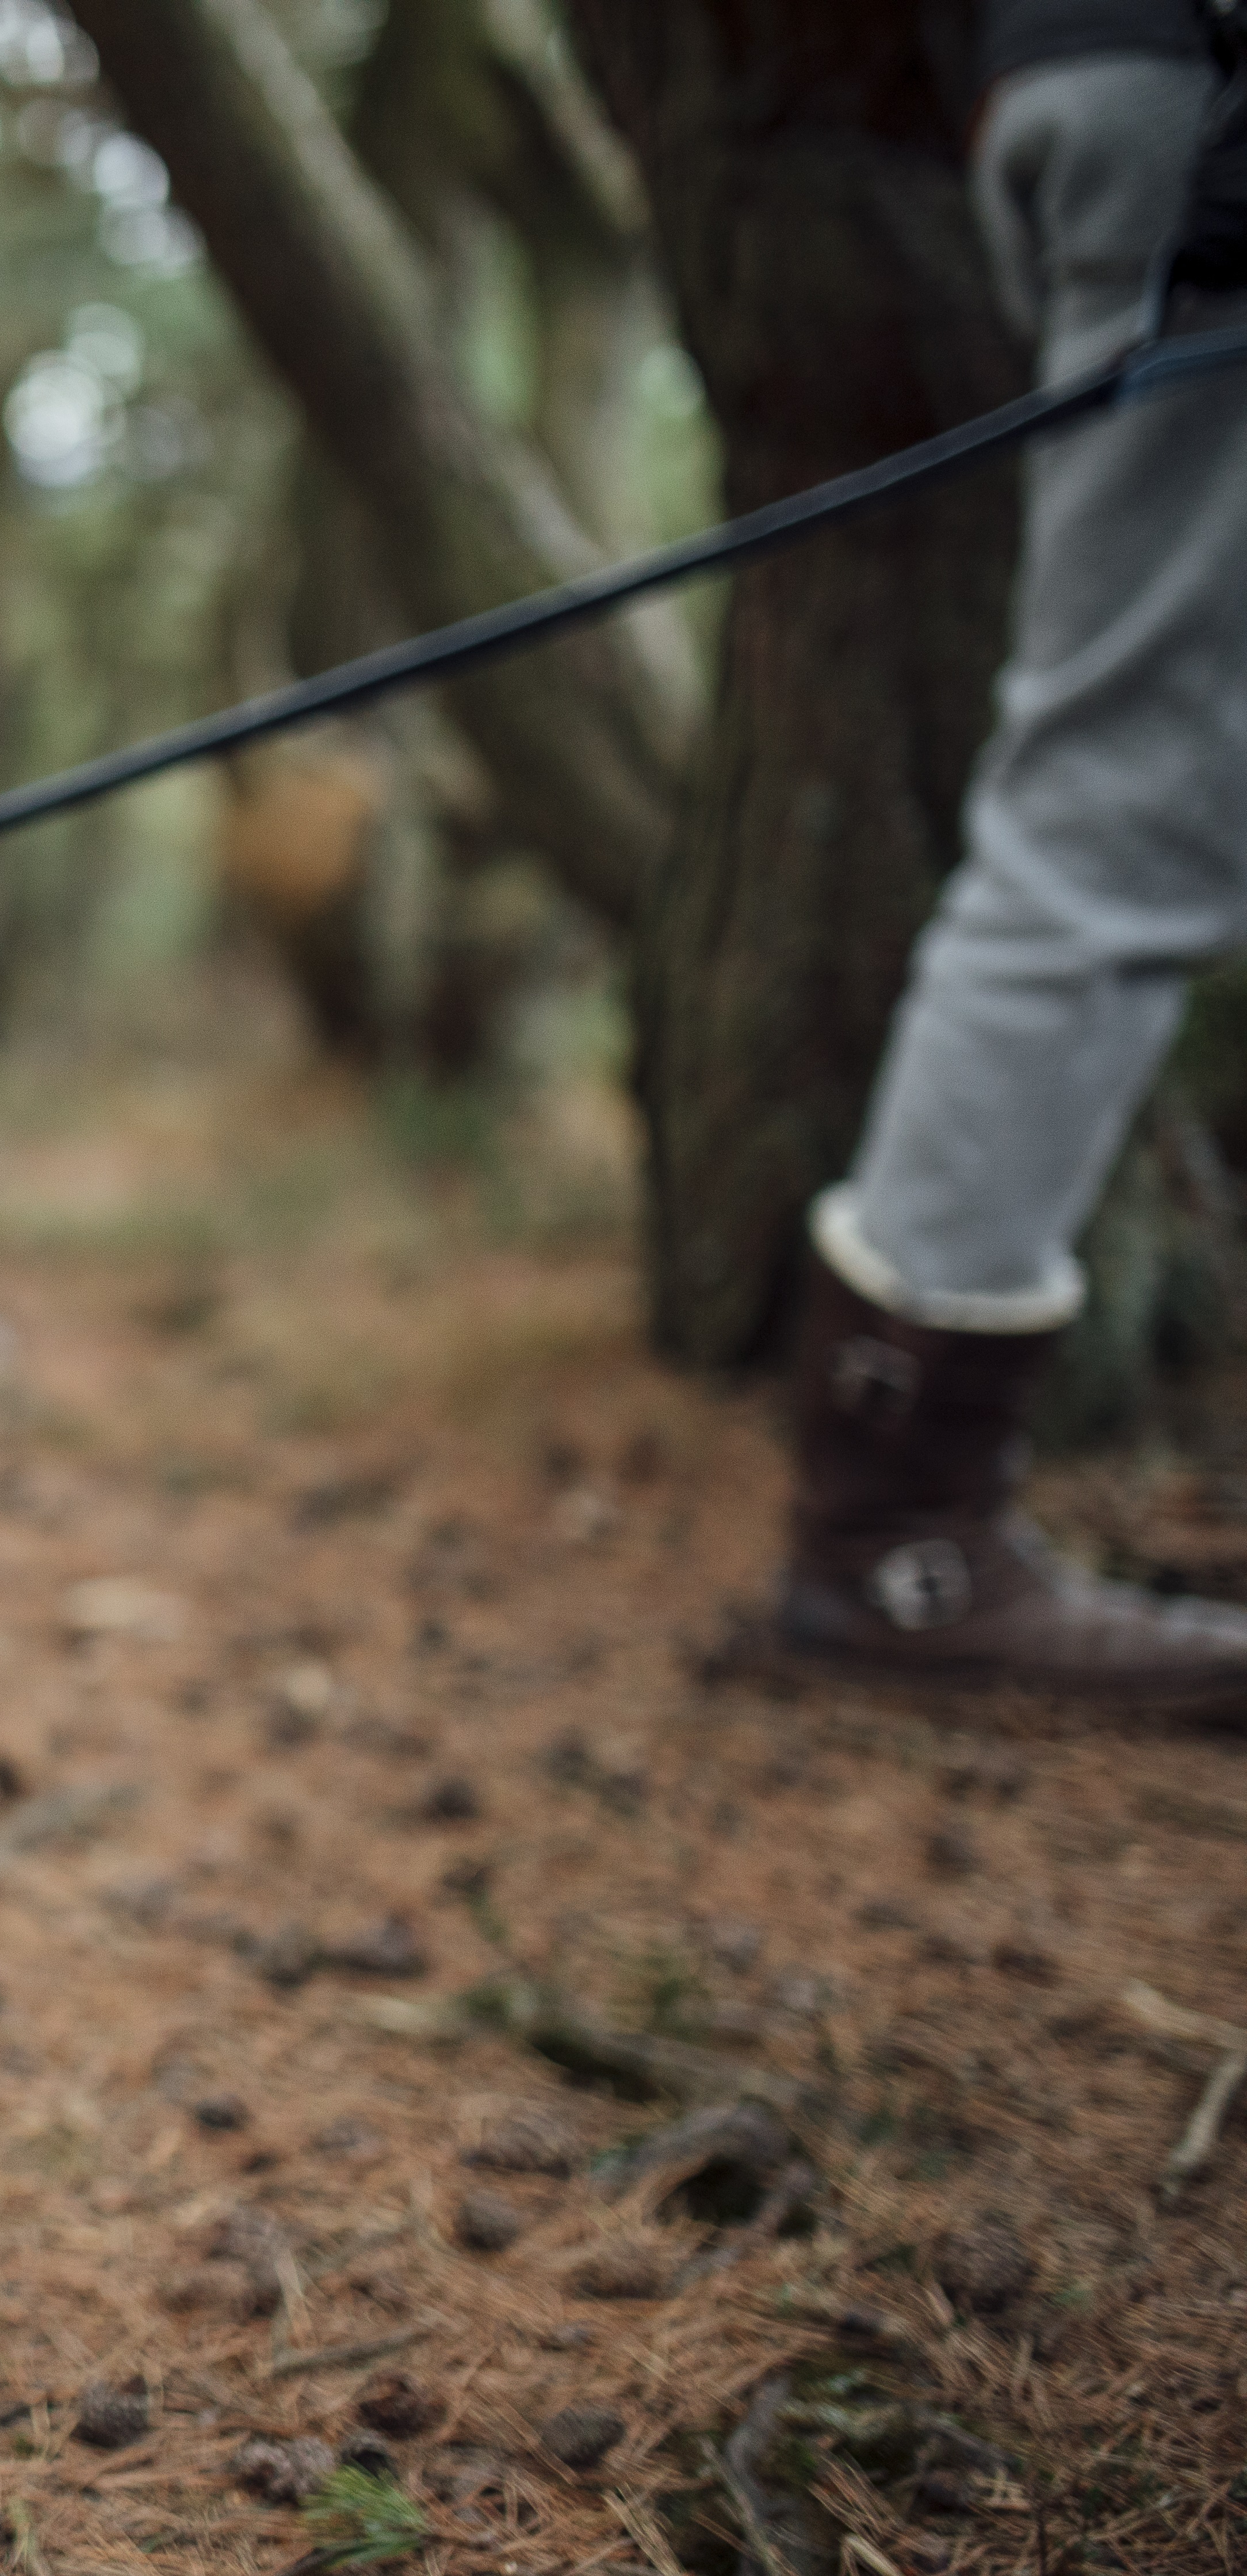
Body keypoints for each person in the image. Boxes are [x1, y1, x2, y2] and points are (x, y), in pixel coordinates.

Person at [771, 0, 1247, 1704]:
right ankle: (900, 1539)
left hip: (1118, 76)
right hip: (1186, 96)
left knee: (1129, 790)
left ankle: (898, 1531)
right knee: (1131, 800)